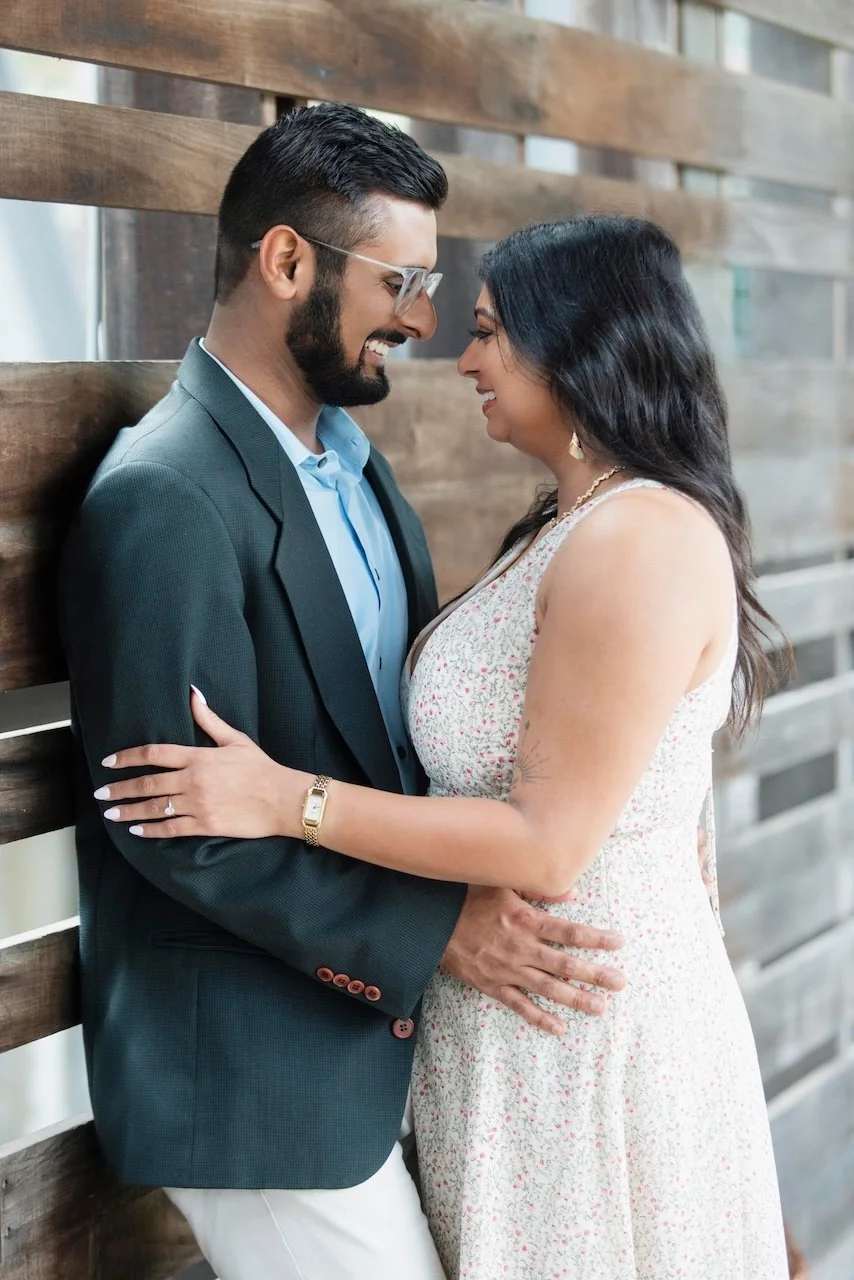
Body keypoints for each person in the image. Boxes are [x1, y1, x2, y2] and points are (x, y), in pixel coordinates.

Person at [102, 215, 791, 1278]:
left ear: (577, 341)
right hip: (510, 1039)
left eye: (488, 331)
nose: (461, 354)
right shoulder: (563, 526)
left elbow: (548, 838)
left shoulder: (637, 536)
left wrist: (289, 798)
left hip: (580, 1037)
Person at [58, 108, 625, 1280]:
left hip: (367, 1055)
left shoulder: (360, 475)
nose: (421, 318)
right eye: (402, 279)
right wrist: (439, 931)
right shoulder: (162, 495)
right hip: (255, 1085)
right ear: (285, 263)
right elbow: (178, 828)